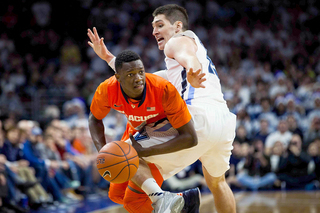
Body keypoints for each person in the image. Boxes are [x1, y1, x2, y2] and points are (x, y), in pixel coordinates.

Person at [87, 4, 237, 213]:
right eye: (153, 26)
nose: (154, 31)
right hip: (224, 122)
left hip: (198, 117)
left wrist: (192, 69)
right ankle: (170, 201)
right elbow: (141, 78)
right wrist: (108, 58)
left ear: (177, 26)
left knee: (126, 152)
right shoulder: (187, 60)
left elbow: (187, 56)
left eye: (160, 25)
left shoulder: (178, 41)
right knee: (218, 183)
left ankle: (163, 200)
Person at [88, 50, 200, 213]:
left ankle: (169, 200)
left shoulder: (161, 88)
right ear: (118, 77)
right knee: (116, 194)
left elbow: (190, 137)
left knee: (133, 201)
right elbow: (94, 119)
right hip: (136, 134)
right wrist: (103, 152)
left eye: (141, 72)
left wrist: (145, 151)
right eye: (131, 74)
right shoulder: (108, 89)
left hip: (162, 134)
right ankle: (181, 201)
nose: (139, 78)